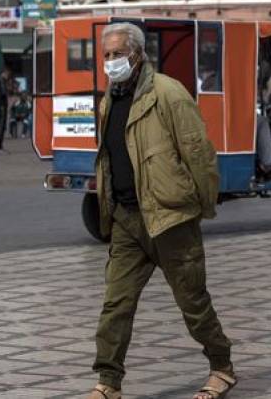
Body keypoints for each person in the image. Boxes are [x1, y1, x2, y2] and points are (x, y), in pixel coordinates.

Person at [88, 22, 233, 399]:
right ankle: (108, 383)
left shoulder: (168, 93)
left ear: (137, 54)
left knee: (193, 302)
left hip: (170, 218)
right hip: (126, 220)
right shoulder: (109, 100)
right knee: (115, 305)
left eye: (117, 54)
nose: (110, 62)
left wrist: (202, 205)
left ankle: (221, 367)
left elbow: (198, 153)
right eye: (105, 55)